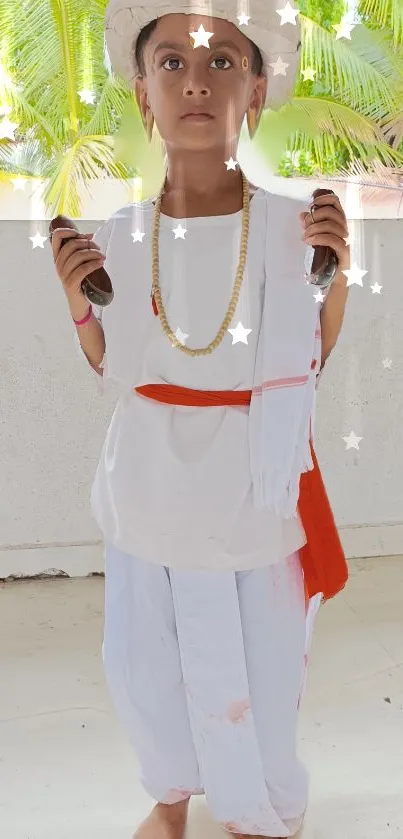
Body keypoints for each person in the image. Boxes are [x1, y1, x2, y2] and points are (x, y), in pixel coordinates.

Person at [53, 1, 351, 836]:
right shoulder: (119, 231)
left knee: (256, 659)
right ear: (143, 92)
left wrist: (333, 270)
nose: (195, 80)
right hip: (146, 483)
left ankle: (257, 805)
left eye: (222, 61)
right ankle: (172, 793)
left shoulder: (295, 225)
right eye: (172, 63)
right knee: (143, 660)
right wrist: (79, 303)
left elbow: (310, 360)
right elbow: (117, 365)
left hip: (251, 485)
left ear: (255, 89)